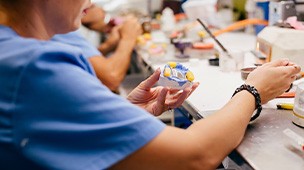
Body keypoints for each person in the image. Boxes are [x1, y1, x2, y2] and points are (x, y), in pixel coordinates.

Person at [0, 1, 301, 170]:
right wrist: (254, 91)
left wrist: (128, 115)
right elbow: (196, 154)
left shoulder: (14, 52)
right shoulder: (34, 66)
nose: (90, 2)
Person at [53, 5, 142, 92]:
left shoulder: (59, 30)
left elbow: (83, 59)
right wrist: (128, 38)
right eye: (92, 6)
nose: (90, 3)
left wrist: (108, 45)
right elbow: (112, 78)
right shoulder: (63, 32)